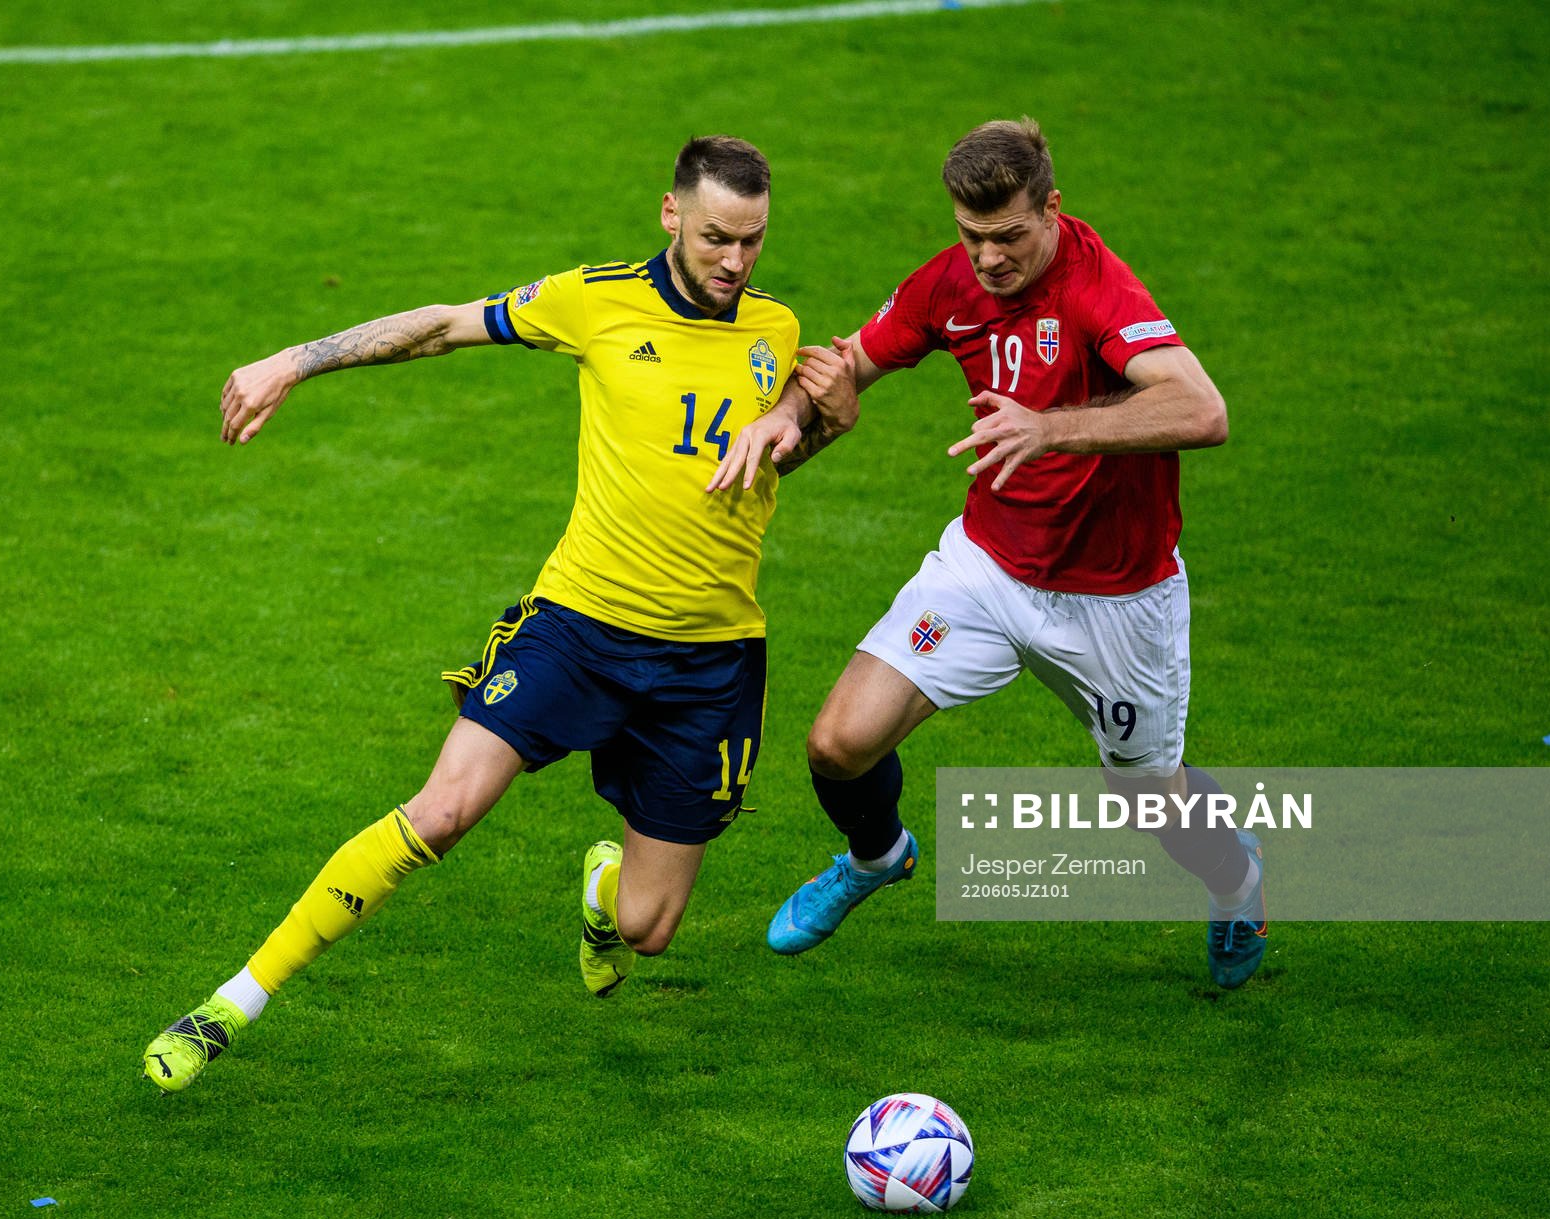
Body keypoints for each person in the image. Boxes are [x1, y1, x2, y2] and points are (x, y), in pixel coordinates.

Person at [143, 135, 858, 1093]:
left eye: (754, 241)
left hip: (708, 662)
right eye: (719, 238)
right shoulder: (596, 301)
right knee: (439, 813)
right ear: (671, 214)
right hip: (580, 625)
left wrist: (824, 428)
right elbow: (443, 325)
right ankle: (233, 1001)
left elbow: (756, 473)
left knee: (650, 931)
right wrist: (294, 361)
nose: (735, 262)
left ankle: (604, 891)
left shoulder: (776, 331)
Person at [711, 118, 1267, 989]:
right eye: (973, 237)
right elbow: (849, 364)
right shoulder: (950, 284)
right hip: (988, 568)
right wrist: (785, 415)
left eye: (1008, 237)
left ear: (1051, 209)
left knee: (1147, 795)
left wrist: (1051, 429)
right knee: (836, 744)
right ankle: (877, 856)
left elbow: (1205, 411)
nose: (990, 260)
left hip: (1117, 599)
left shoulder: (1098, 291)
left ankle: (1237, 882)